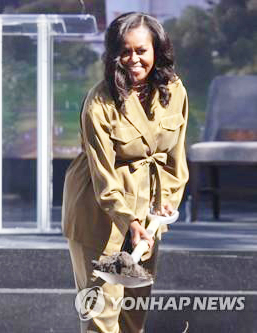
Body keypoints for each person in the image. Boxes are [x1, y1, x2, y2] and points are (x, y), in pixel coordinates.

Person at [62, 12, 189, 333]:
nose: (133, 59)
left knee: (133, 314)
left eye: (141, 50)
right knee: (102, 319)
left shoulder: (174, 91)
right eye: (125, 51)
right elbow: (103, 176)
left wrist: (167, 202)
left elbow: (175, 158)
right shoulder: (99, 102)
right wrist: (130, 221)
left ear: (157, 51)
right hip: (99, 217)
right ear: (113, 54)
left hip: (148, 217)